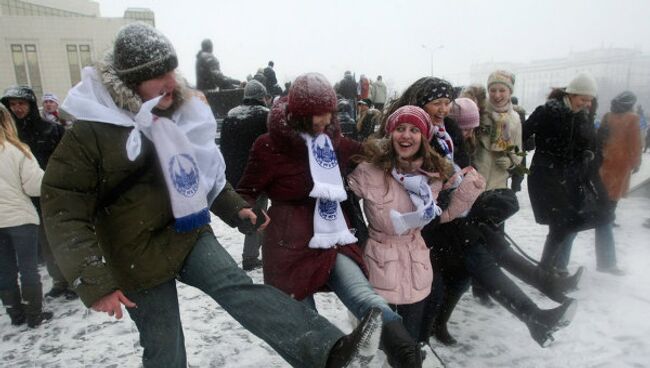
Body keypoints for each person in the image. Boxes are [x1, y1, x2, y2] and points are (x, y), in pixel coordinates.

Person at [41, 23, 383, 368]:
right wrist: (93, 280)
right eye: (158, 76)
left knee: (241, 290)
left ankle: (329, 352)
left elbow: (200, 174)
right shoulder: (90, 133)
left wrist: (236, 209)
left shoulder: (180, 114)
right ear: (131, 83)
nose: (172, 82)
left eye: (171, 70)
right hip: (133, 254)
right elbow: (63, 209)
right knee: (165, 346)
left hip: (187, 233)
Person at [237, 72, 434, 367]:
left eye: (327, 114)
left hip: (333, 237)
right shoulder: (268, 146)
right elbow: (246, 191)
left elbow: (374, 154)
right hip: (288, 244)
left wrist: (421, 155)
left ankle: (405, 351)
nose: (324, 122)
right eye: (316, 116)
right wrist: (247, 212)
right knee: (304, 324)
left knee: (363, 296)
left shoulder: (334, 141)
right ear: (299, 114)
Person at [385, 77, 578, 348]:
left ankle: (533, 315)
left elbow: (464, 165)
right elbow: (409, 176)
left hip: (458, 213)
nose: (442, 109)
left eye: (446, 103)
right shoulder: (411, 130)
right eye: (436, 103)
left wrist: (469, 189)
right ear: (421, 102)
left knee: (475, 265)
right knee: (452, 277)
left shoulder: (449, 127)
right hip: (426, 223)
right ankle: (417, 343)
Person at [349, 105, 478, 342]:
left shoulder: (433, 175)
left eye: (413, 130)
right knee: (380, 343)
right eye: (400, 128)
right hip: (380, 266)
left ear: (424, 137)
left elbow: (441, 217)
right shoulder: (368, 171)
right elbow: (345, 205)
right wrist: (359, 242)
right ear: (391, 134)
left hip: (416, 266)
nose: (406, 135)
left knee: (410, 344)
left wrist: (467, 191)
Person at [523, 72, 611, 275]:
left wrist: (590, 153)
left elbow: (590, 144)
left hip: (572, 177)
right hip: (547, 176)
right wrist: (523, 149)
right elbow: (523, 133)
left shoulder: (583, 117)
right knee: (560, 222)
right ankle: (546, 269)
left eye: (590, 100)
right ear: (571, 95)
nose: (587, 104)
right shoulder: (547, 112)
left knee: (566, 223)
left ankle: (549, 267)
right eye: (583, 99)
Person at [0, 85, 76, 300]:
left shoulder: (50, 129)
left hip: (51, 192)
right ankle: (59, 281)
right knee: (44, 245)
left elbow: (66, 162)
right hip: (24, 199)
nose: (17, 109)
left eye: (21, 103)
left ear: (31, 105)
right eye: (13, 105)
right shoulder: (9, 135)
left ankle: (72, 280)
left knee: (60, 240)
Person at [0, 105, 53, 328]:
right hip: (21, 218)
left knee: (4, 269)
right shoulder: (17, 150)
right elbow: (34, 186)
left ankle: (15, 314)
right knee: (28, 268)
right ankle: (34, 313)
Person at [221, 80, 270, 271]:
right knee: (257, 213)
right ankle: (250, 257)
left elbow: (224, 147)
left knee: (251, 212)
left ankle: (254, 246)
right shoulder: (265, 116)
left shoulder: (231, 115)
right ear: (262, 96)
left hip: (233, 174)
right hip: (257, 174)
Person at [595, 91, 642, 275]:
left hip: (604, 163)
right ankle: (608, 218)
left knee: (602, 198)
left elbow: (599, 139)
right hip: (620, 164)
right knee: (609, 203)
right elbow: (636, 144)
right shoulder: (633, 118)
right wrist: (636, 163)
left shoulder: (608, 116)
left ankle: (607, 216)